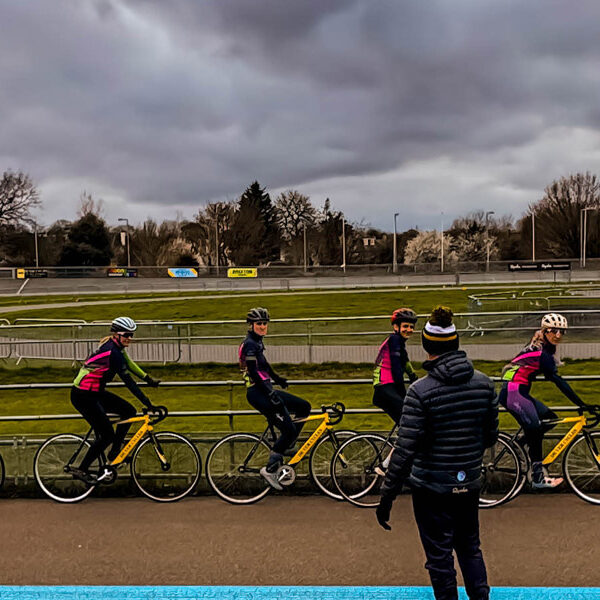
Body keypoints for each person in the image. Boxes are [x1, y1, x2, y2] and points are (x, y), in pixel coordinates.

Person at [376, 306, 498, 600]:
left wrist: (387, 497)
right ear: (456, 344)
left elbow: (404, 451)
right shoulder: (484, 384)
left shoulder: (420, 391)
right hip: (468, 481)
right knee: (470, 548)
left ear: (427, 346)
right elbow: (490, 436)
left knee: (440, 557)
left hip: (431, 486)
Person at [499, 312, 590, 489]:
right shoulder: (542, 354)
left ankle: (518, 446)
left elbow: (514, 366)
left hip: (517, 391)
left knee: (549, 418)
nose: (558, 335)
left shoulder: (539, 346)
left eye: (561, 332)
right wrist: (581, 404)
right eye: (553, 331)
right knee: (534, 429)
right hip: (514, 393)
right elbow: (559, 382)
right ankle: (538, 478)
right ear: (545, 331)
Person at [69, 316, 160, 484]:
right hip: (83, 396)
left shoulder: (116, 347)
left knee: (129, 411)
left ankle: (115, 453)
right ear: (117, 334)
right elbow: (129, 383)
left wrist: (148, 379)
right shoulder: (113, 353)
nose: (130, 338)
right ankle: (82, 469)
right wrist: (147, 403)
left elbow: (130, 364)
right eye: (127, 334)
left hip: (95, 392)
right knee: (106, 435)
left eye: (132, 334)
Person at [239, 307, 311, 490]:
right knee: (288, 429)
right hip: (258, 393)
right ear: (251, 325)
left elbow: (264, 365)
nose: (263, 326)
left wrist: (277, 378)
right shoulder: (249, 344)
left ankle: (287, 444)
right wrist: (270, 393)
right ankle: (270, 469)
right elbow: (253, 371)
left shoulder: (257, 342)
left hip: (266, 389)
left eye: (264, 323)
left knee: (304, 407)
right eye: (259, 324)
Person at [372, 307, 419, 424]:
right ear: (396, 327)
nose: (409, 329)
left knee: (405, 421)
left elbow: (406, 362)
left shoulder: (398, 341)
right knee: (408, 418)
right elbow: (396, 367)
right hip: (384, 385)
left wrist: (414, 378)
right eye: (405, 326)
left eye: (411, 327)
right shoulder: (394, 340)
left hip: (386, 385)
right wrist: (402, 390)